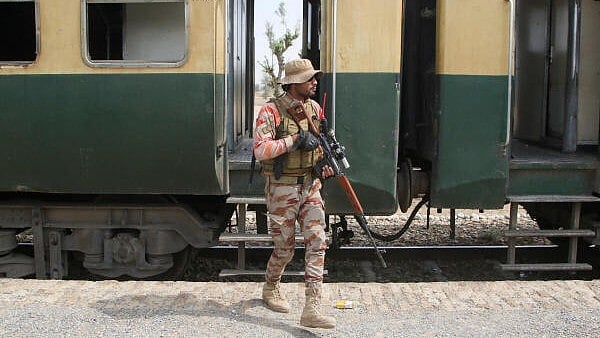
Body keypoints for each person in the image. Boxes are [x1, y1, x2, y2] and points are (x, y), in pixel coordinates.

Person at [253, 59, 336, 329]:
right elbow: (260, 150)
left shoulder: (314, 108)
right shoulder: (271, 110)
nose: (314, 82)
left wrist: (322, 164)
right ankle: (270, 286)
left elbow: (319, 145)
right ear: (292, 83)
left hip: (310, 186)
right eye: (308, 78)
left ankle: (312, 307)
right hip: (282, 188)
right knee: (285, 249)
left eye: (314, 78)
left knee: (317, 242)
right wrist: (293, 141)